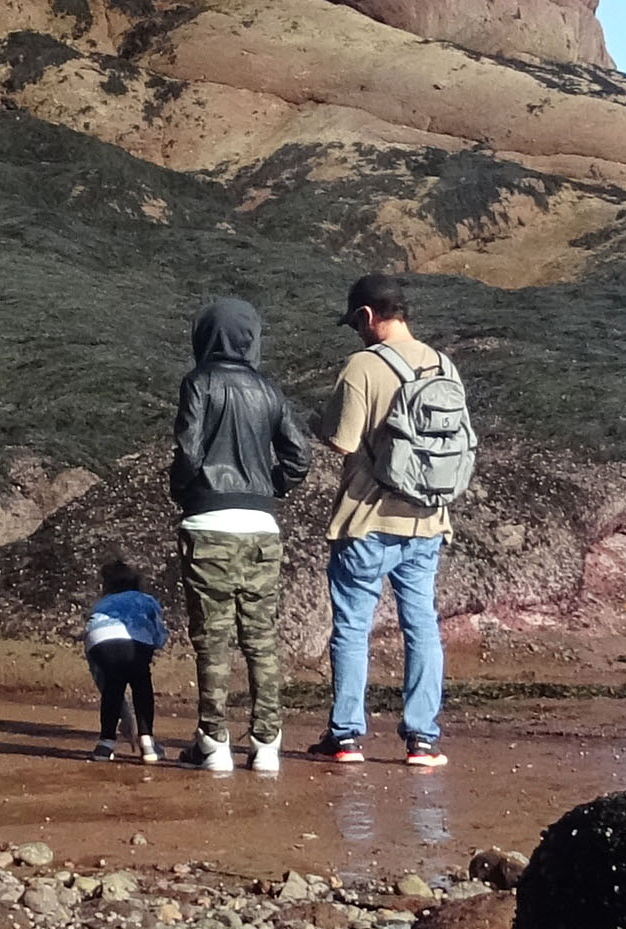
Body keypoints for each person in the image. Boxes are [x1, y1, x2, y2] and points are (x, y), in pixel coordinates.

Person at [167, 293, 317, 775]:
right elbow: (300, 456)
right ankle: (267, 744)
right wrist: (266, 489)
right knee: (261, 638)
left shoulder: (199, 383)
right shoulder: (269, 390)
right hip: (260, 527)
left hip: (208, 522)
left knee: (212, 640)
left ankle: (213, 743)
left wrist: (185, 490)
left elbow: (189, 452)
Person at [321, 273, 461, 770]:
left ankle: (346, 737)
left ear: (367, 316)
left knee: (353, 627)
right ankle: (422, 740)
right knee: (421, 625)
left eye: (354, 323)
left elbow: (341, 439)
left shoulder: (362, 365)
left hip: (367, 519)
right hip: (427, 519)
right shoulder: (444, 364)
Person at [79, 559, 166, 761]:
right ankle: (147, 743)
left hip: (100, 642)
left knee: (113, 688)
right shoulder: (146, 600)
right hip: (135, 642)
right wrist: (155, 643)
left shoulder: (103, 603)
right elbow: (158, 632)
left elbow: (92, 626)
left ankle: (105, 744)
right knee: (142, 684)